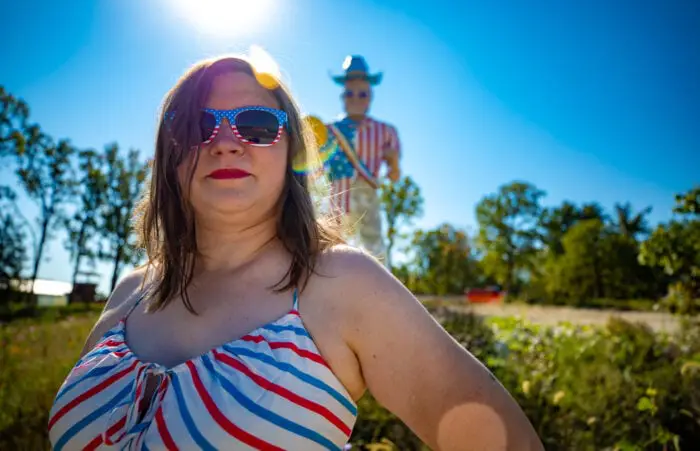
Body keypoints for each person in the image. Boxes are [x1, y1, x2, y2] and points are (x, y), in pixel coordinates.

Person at [48, 54, 543, 450]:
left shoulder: (342, 284)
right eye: (196, 125)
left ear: (292, 155)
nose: (225, 142)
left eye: (259, 125)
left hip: (364, 202)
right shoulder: (130, 292)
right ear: (169, 151)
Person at [321, 55, 401, 264]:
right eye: (350, 94)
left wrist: (393, 163)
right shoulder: (329, 132)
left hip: (367, 195)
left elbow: (394, 175)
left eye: (362, 94)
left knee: (372, 244)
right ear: (343, 96)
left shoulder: (386, 132)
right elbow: (315, 170)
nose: (356, 98)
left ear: (370, 96)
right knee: (332, 246)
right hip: (337, 195)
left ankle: (379, 291)